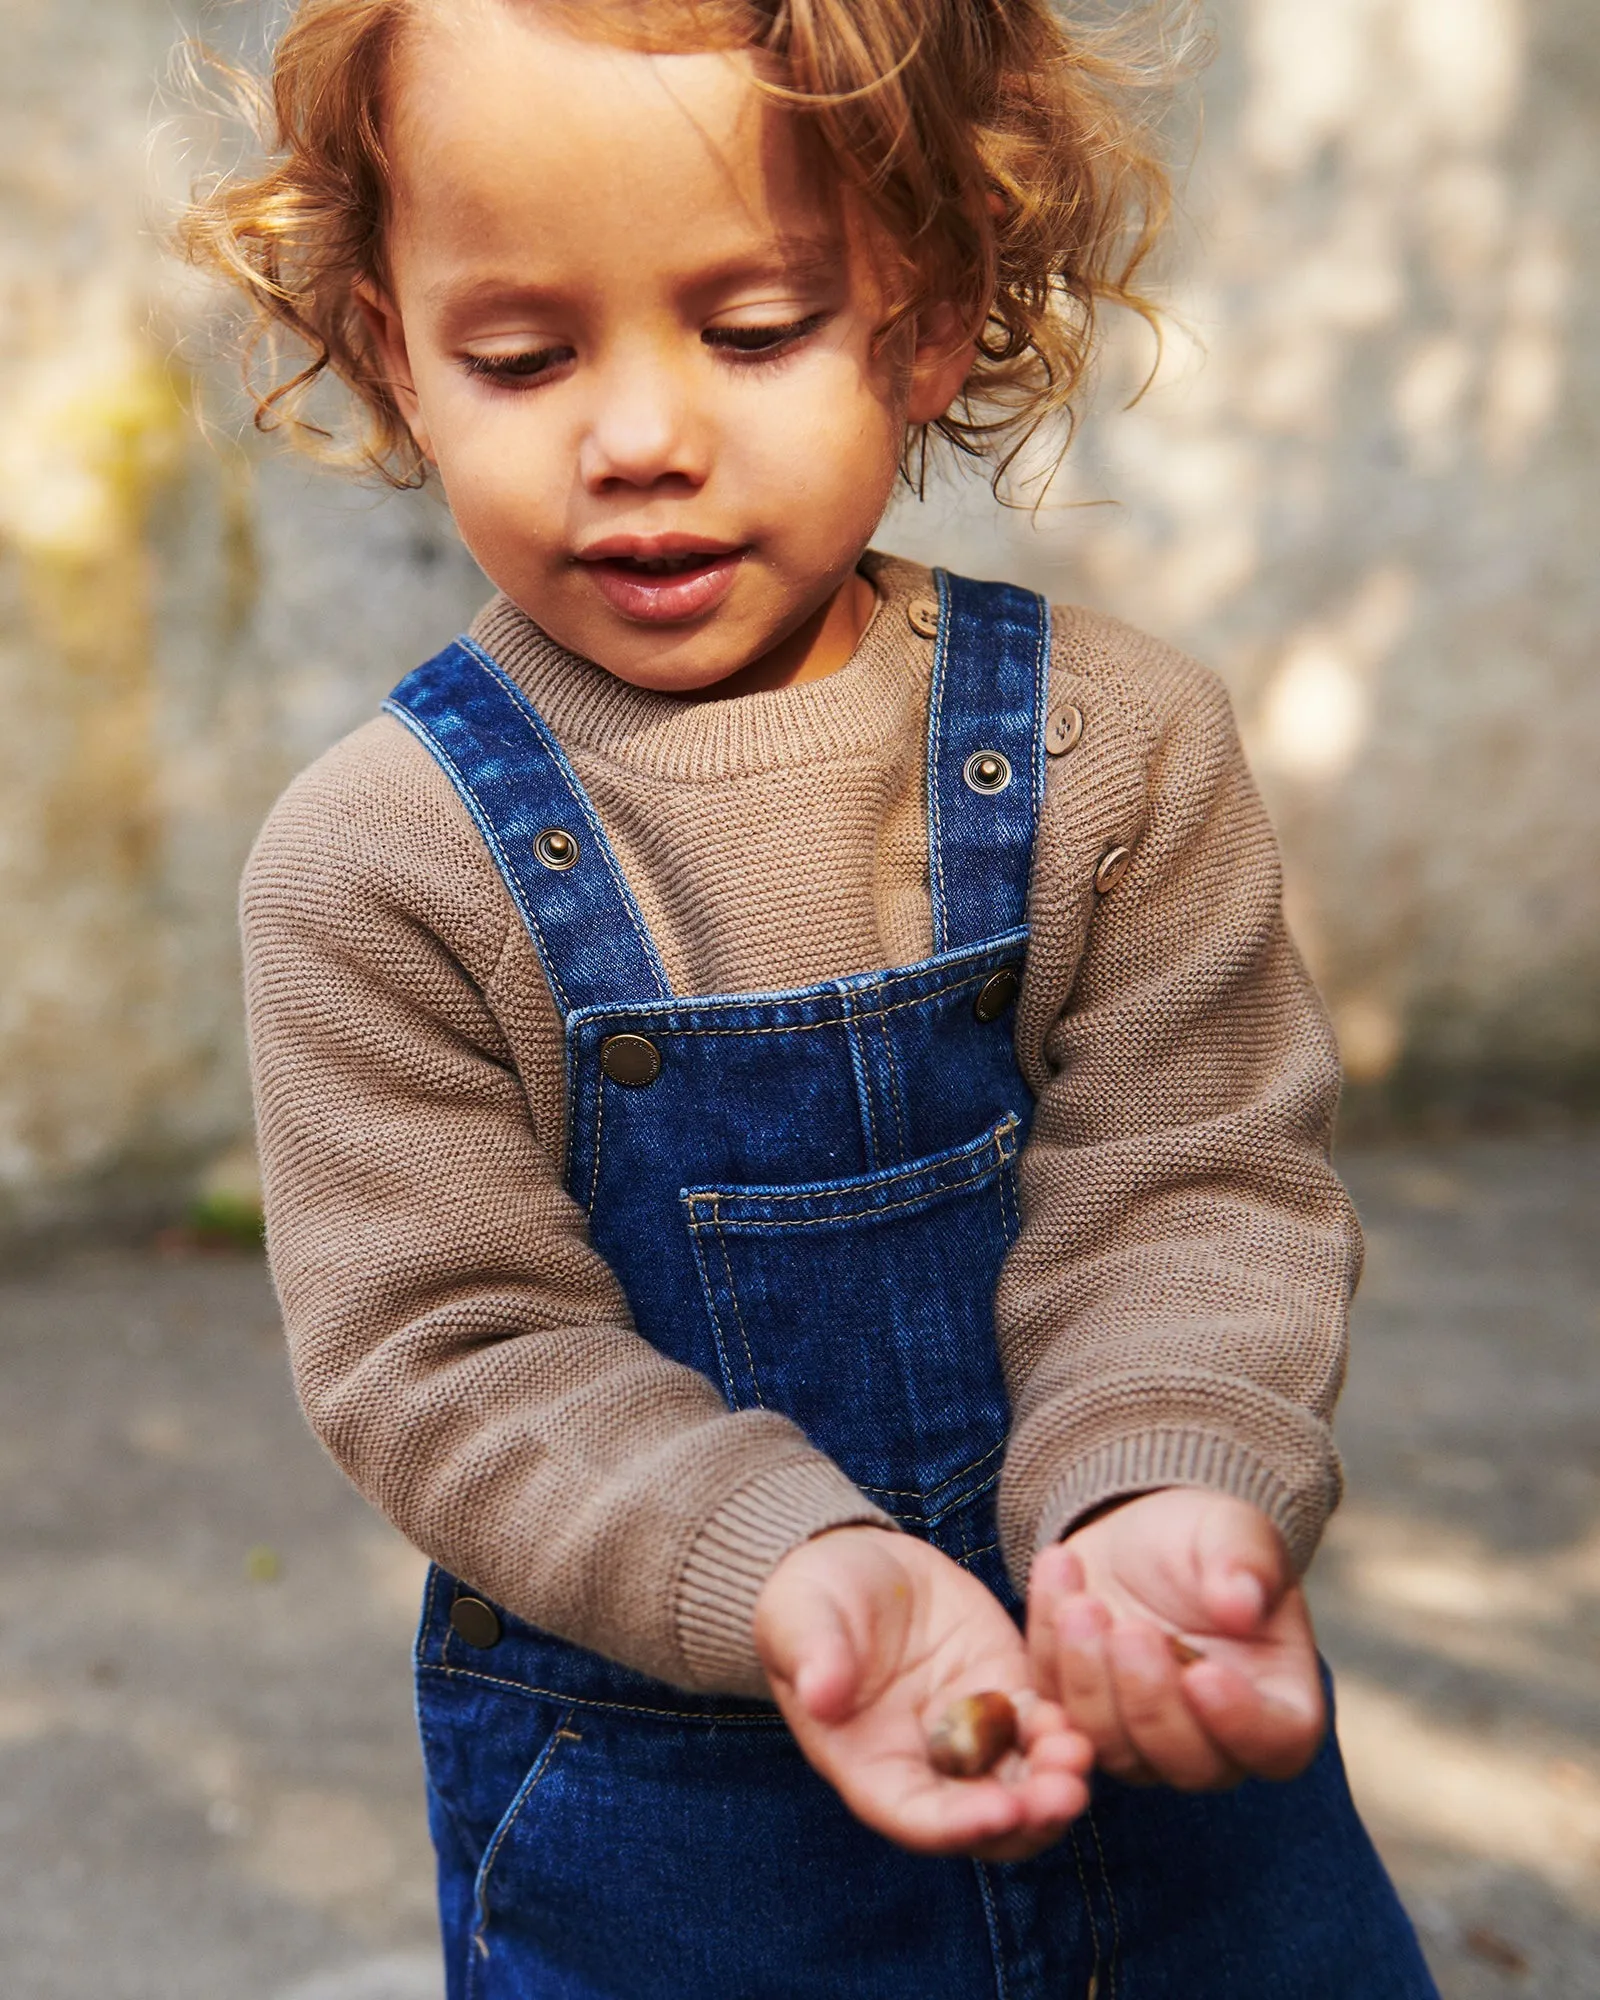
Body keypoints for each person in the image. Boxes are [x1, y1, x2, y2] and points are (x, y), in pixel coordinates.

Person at [184, 1, 1440, 1993]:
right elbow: (453, 1348)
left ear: (928, 321)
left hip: (1160, 1764)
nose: (639, 436)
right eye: (520, 354)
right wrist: (789, 1563)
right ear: (387, 353)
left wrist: (1160, 1481)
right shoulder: (379, 862)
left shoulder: (1111, 759)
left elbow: (1192, 1180)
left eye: (751, 330)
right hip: (672, 1843)